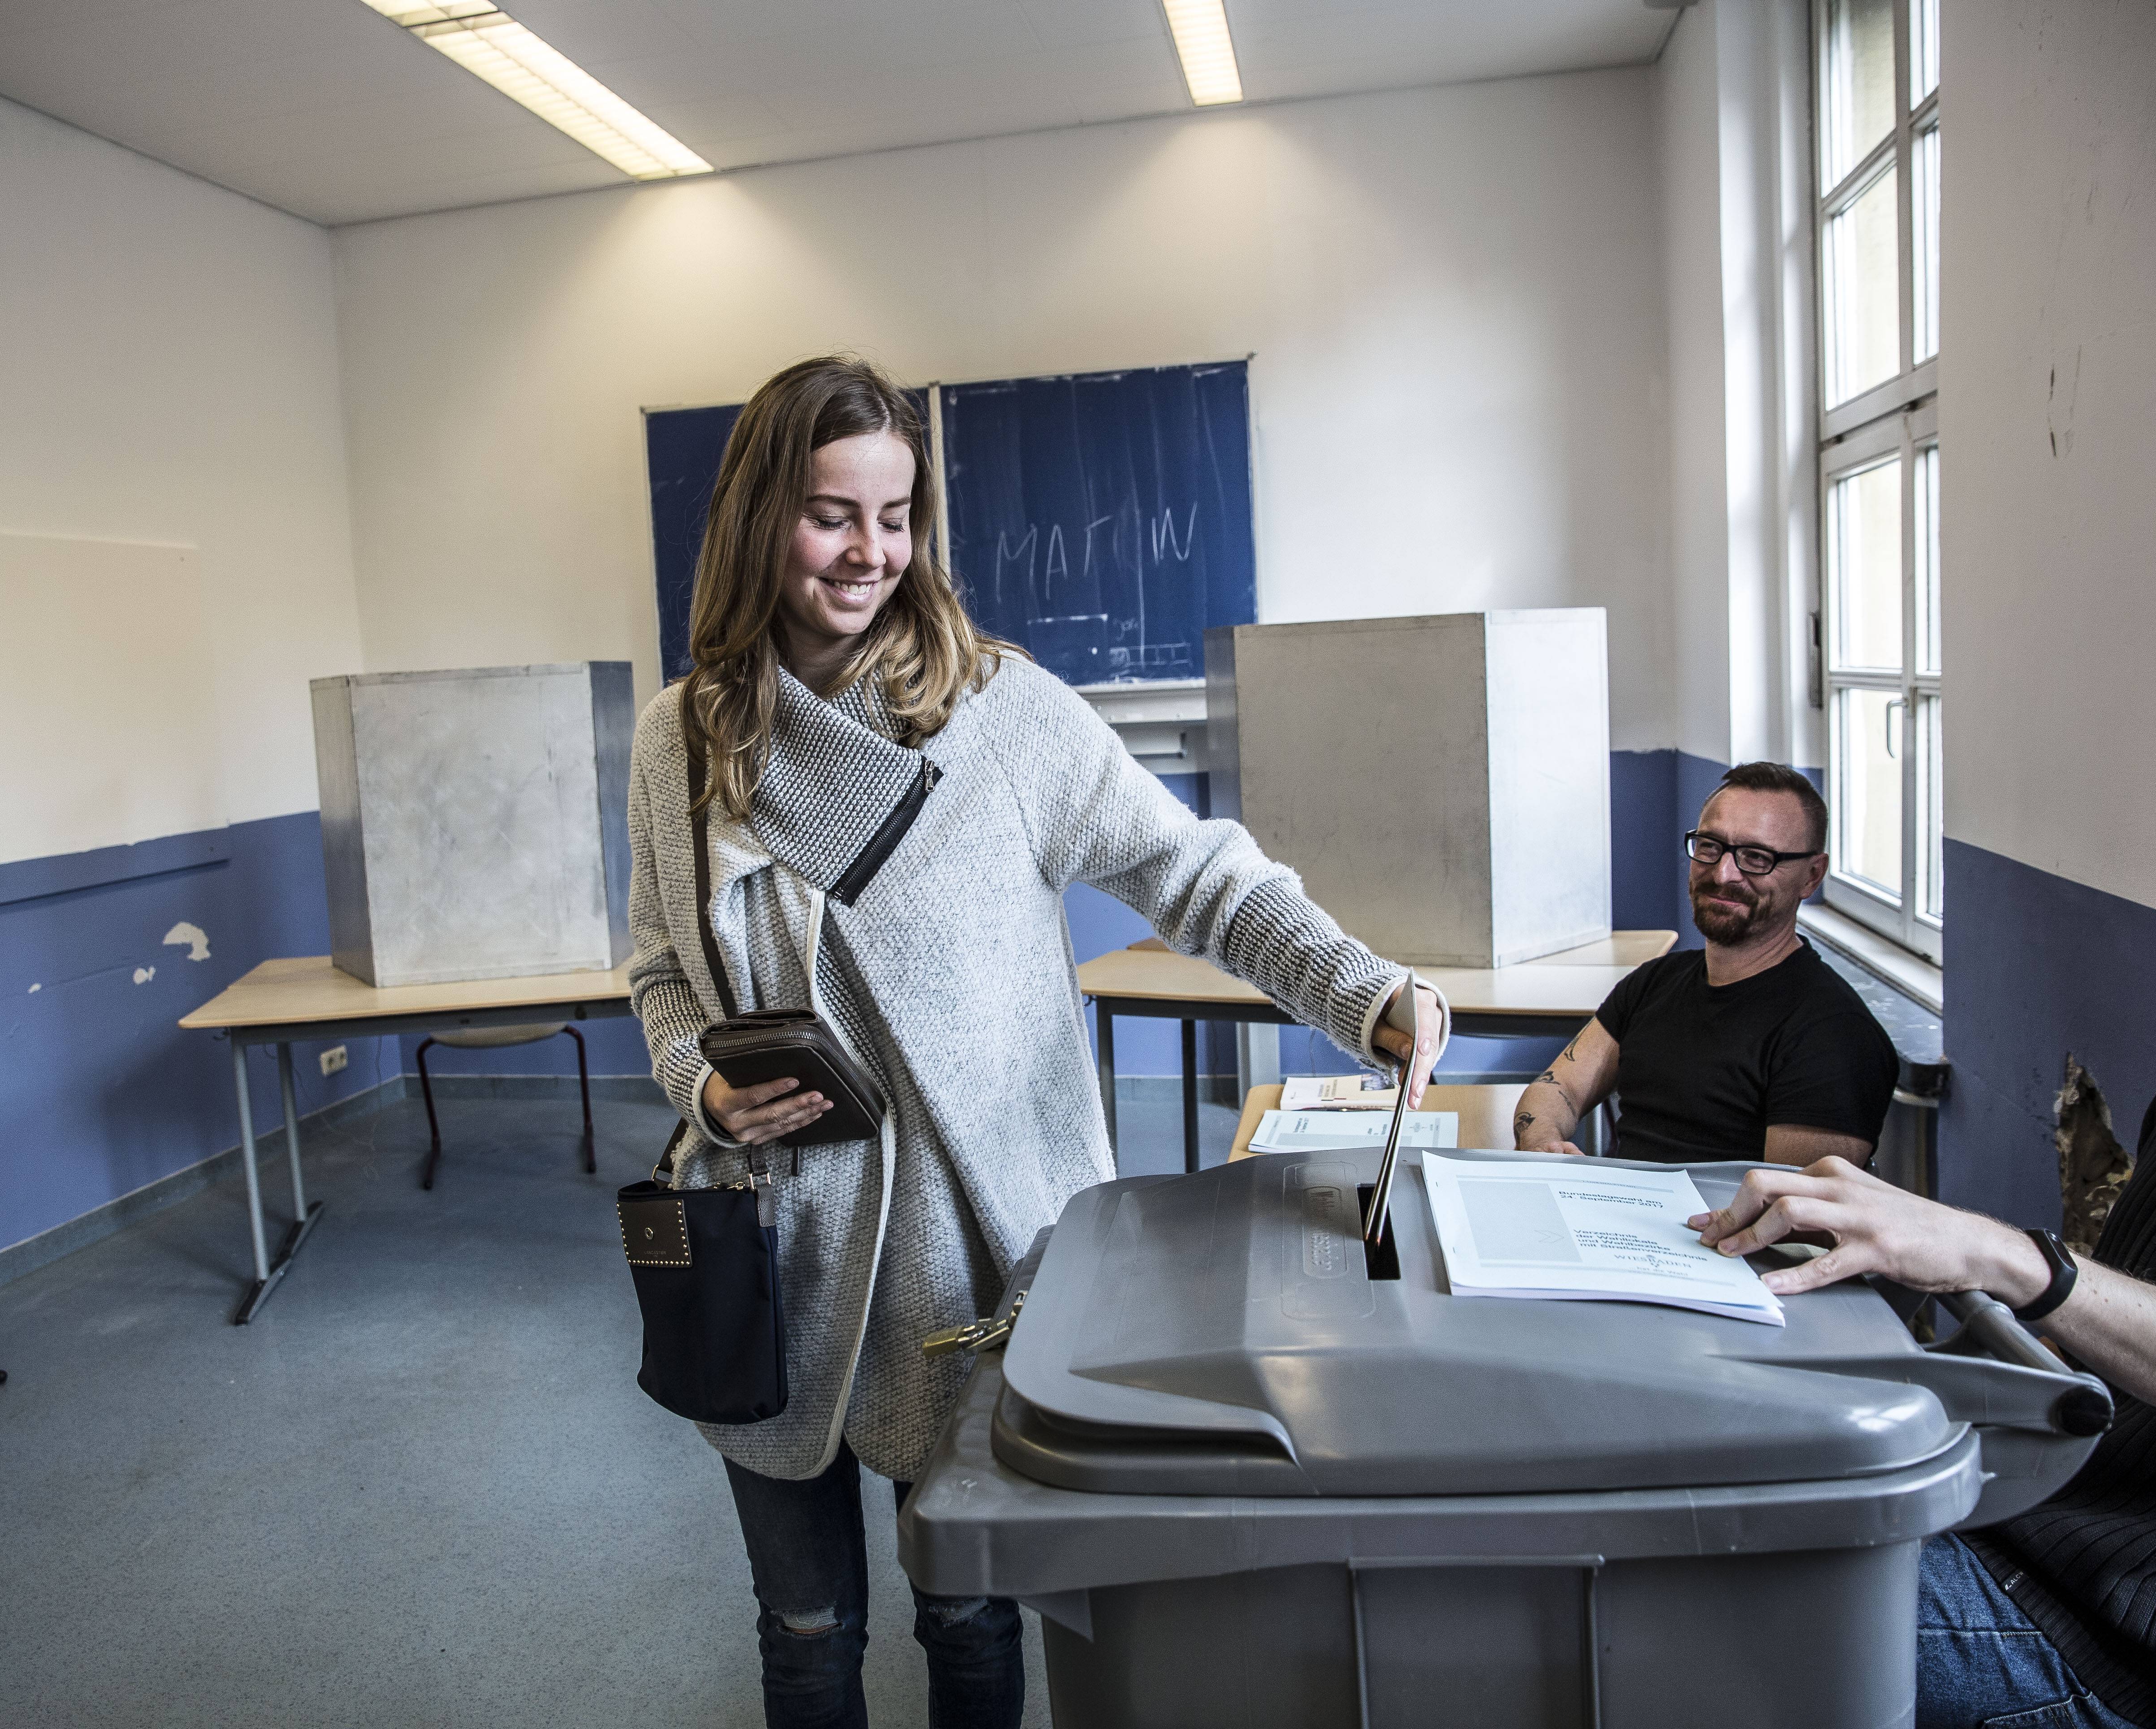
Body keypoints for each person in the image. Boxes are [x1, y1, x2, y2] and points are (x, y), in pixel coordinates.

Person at [623, 354, 1447, 1729]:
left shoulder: (998, 711)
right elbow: (657, 963)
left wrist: (1362, 989)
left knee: (971, 1609)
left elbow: (1198, 875)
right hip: (767, 1258)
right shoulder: (682, 738)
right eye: (834, 513)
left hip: (967, 1262)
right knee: (807, 1630)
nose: (871, 551)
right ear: (762, 516)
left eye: (896, 516)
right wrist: (702, 1084)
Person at [1691, 765, 2156, 1729]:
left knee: (1686, 1590)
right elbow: (2106, 1342)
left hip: (2117, 1641)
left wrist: (2009, 1259)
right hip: (2011, 1516)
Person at [1513, 761, 1898, 1165]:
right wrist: (1542, 1139)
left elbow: (1795, 1213)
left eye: (1756, 856)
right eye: (1711, 847)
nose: (1724, 873)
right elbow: (1559, 1088)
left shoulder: (1835, 1034)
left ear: (1811, 876)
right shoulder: (1655, 982)